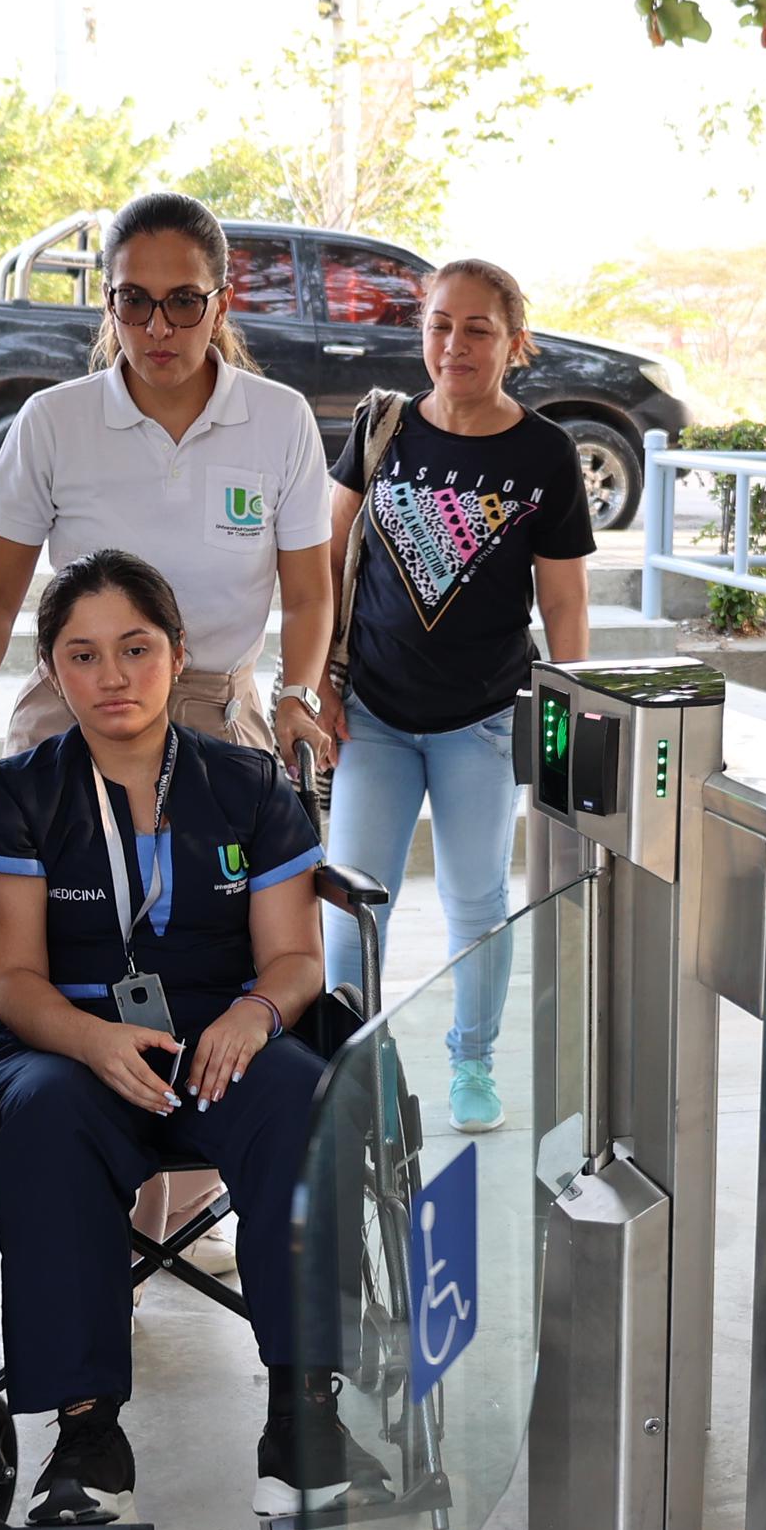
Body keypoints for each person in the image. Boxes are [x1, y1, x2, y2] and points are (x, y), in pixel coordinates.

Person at [0, 191, 335, 1258]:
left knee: (224, 922)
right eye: (135, 303)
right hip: (81, 694)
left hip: (211, 695)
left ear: (219, 299)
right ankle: (86, 1143)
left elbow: (309, 584)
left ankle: (190, 1168)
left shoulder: (279, 418)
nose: (159, 328)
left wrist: (296, 690)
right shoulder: (55, 421)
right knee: (64, 910)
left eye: (182, 302)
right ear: (107, 304)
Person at [0, 550, 348, 1524]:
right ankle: (89, 1434)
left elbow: (297, 959)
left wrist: (254, 1014)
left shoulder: (248, 786)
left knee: (304, 1095)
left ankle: (303, 1409)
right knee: (42, 1114)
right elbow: (10, 981)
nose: (113, 676)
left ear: (178, 655)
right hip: (65, 1041)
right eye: (82, 655)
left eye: (136, 648)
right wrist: (92, 1042)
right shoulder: (18, 795)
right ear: (52, 671)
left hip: (225, 1036)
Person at [302, 257, 594, 1135]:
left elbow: (565, 601)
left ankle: (474, 1060)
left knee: (476, 904)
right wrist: (317, 685)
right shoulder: (384, 428)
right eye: (439, 324)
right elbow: (321, 560)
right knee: (354, 902)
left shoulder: (542, 453)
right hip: (375, 719)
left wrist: (565, 713)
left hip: (482, 723)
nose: (454, 344)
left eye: (476, 328)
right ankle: (354, 1065)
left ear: (514, 341)